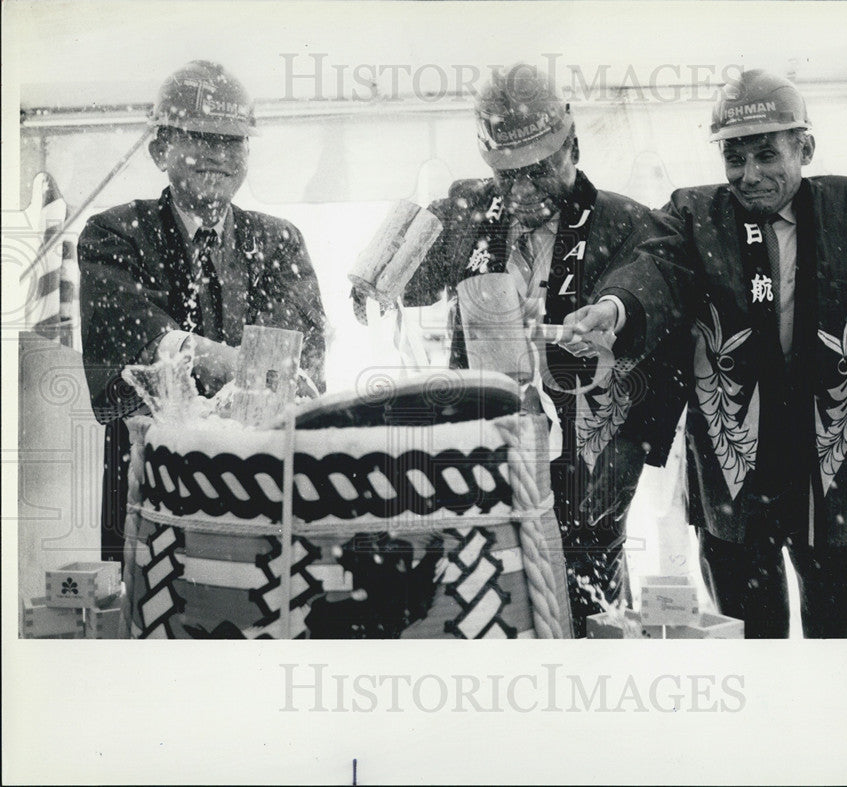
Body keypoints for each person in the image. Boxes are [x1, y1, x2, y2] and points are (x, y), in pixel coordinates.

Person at [354, 64, 687, 637]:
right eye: (507, 177)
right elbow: (405, 281)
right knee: (490, 591)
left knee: (588, 605)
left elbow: (663, 299)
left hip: (589, 460)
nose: (523, 193)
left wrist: (614, 318)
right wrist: (377, 271)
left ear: (573, 146)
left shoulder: (624, 221)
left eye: (539, 172)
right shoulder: (468, 213)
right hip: (486, 448)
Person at [642, 69, 847, 638]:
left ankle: (834, 725)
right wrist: (617, 311)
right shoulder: (693, 215)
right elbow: (650, 275)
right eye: (735, 158)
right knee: (748, 639)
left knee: (840, 641)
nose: (750, 176)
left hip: (832, 465)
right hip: (734, 468)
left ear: (804, 147)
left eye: (767, 155)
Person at [79, 60, 328, 562]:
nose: (218, 155)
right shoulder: (115, 234)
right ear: (158, 150)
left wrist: (256, 374)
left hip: (256, 483)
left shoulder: (278, 241)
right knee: (146, 614)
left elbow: (296, 362)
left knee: (256, 609)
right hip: (150, 483)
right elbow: (140, 347)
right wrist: (243, 369)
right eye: (199, 138)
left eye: (232, 142)